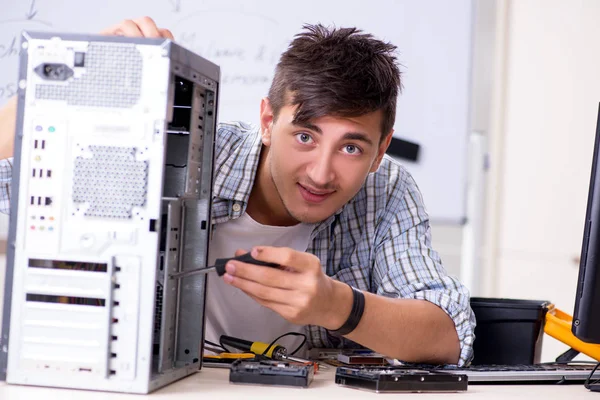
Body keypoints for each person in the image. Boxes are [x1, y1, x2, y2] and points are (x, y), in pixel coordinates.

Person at [0, 17, 475, 366]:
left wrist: (334, 304)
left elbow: (449, 334)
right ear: (268, 121)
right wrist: (62, 84)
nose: (321, 173)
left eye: (351, 148)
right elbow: (11, 181)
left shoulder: (386, 189)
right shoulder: (188, 151)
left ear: (380, 150)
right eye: (305, 136)